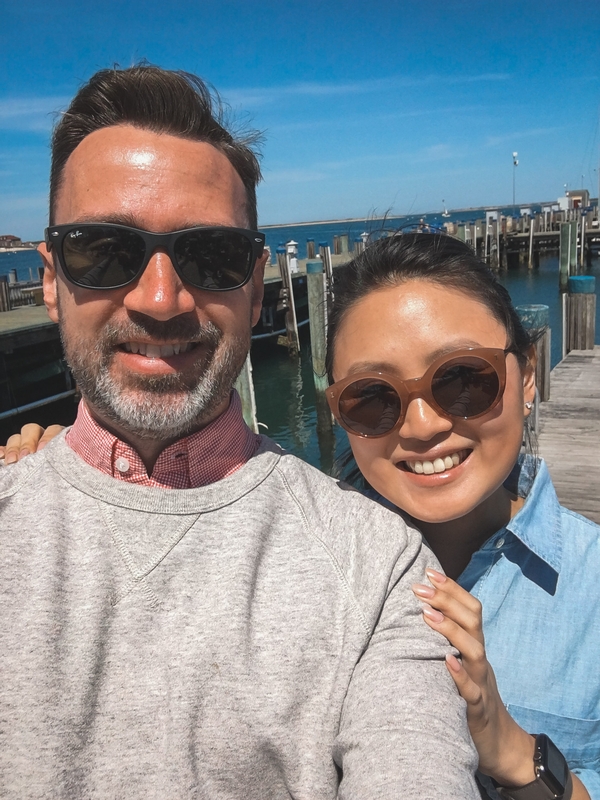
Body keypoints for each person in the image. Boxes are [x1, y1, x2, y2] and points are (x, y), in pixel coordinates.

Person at [0, 67, 479, 798]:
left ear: (256, 287)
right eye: (102, 250)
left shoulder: (379, 568)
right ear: (50, 278)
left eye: (212, 257)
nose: (160, 299)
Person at [324, 233, 600, 800]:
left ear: (526, 379)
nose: (422, 425)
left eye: (462, 380)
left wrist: (513, 751)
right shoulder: (308, 569)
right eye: (373, 396)